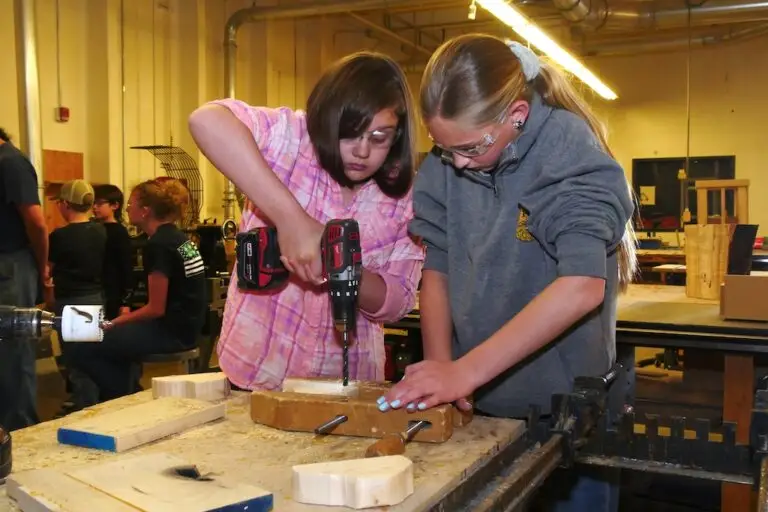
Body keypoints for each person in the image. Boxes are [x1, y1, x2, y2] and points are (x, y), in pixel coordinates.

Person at [378, 34, 638, 511]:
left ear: (516, 115)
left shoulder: (568, 155)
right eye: (444, 147)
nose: (455, 162)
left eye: (470, 148)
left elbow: (582, 287)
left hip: (565, 413)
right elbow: (438, 270)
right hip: (482, 407)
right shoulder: (450, 160)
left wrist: (464, 372)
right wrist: (443, 377)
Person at [188, 52, 424, 391]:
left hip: (345, 382)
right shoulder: (292, 139)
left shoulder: (404, 200)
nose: (361, 151)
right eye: (350, 133)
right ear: (327, 120)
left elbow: (399, 300)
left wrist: (343, 269)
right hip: (252, 372)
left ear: (398, 135)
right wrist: (292, 221)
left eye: (379, 137)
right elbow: (206, 120)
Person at [66, 178, 207, 401]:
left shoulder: (158, 245)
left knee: (82, 348)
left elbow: (155, 309)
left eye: (131, 204)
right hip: (188, 326)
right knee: (109, 344)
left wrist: (113, 322)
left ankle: (124, 398)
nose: (128, 208)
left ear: (145, 211)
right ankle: (125, 393)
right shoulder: (179, 239)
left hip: (172, 332)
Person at [0, 127, 48, 431]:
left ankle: (21, 432)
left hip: (11, 265)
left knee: (14, 352)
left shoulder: (10, 163)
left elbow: (37, 224)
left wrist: (42, 268)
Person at [48, 179, 107, 412]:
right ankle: (92, 403)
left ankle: (86, 408)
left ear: (65, 204)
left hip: (70, 302)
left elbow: (47, 270)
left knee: (75, 359)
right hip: (96, 297)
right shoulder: (101, 231)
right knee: (92, 355)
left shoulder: (59, 236)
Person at [92, 184, 134, 320]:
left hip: (112, 292)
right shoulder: (92, 229)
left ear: (114, 205)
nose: (94, 207)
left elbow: (126, 267)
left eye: (99, 203)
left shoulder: (119, 232)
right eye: (93, 203)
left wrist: (126, 302)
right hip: (95, 290)